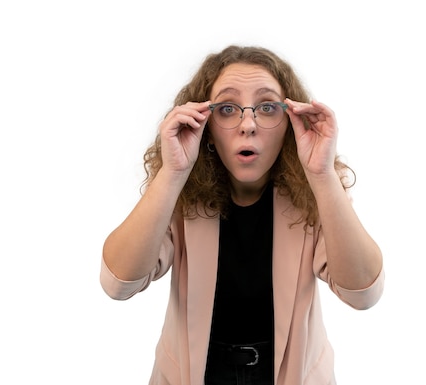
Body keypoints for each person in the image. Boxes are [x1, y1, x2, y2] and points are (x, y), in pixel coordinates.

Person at [100, 45, 384, 385]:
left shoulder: (313, 193)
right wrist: (173, 172)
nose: (248, 124)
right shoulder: (180, 194)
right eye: (227, 108)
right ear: (205, 125)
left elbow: (363, 294)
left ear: (289, 123)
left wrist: (323, 175)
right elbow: (117, 284)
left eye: (267, 107)